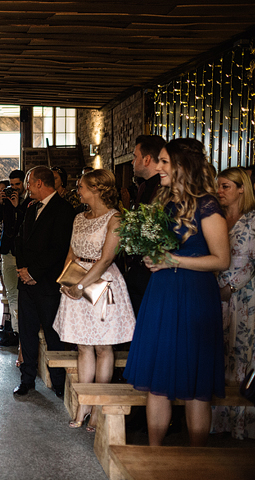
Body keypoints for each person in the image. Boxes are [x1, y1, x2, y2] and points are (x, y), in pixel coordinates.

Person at [124, 138, 230, 447]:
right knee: (157, 381)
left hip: (194, 295)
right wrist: (149, 253)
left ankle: (196, 460)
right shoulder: (163, 201)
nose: (158, 167)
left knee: (195, 385)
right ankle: (155, 456)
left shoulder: (208, 205)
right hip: (162, 293)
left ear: (183, 166)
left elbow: (221, 260)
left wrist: (174, 260)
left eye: (164, 162)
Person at [53, 169, 136, 431]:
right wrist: (66, 281)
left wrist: (80, 284)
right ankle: (84, 404)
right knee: (83, 346)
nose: (78, 190)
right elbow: (71, 251)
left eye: (82, 187)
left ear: (97, 189)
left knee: (103, 347)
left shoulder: (115, 219)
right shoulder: (79, 217)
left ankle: (99, 408)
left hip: (102, 282)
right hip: (76, 280)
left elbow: (106, 259)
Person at [13, 166, 75, 397]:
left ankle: (58, 383)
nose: (26, 187)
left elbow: (58, 249)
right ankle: (27, 380)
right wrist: (21, 270)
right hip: (26, 282)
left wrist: (34, 272)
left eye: (28, 182)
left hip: (47, 283)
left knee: (52, 334)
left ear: (39, 183)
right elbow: (19, 240)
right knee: (27, 333)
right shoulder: (30, 208)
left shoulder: (64, 209)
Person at [211, 167, 255, 439]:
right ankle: (218, 420)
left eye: (226, 186)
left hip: (243, 294)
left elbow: (252, 260)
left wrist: (231, 286)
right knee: (219, 349)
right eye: (219, 186)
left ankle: (242, 422)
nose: (220, 191)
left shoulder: (252, 221)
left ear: (242, 189)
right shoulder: (216, 218)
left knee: (241, 350)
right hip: (213, 291)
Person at [122, 135, 167, 315]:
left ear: (147, 159)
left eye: (135, 156)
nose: (132, 162)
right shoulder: (142, 187)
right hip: (139, 267)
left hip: (158, 269)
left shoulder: (166, 188)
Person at [0, 170, 27, 347]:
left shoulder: (28, 202)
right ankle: (17, 331)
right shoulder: (5, 201)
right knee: (12, 293)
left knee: (23, 294)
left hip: (24, 253)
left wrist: (17, 205)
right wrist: (1, 202)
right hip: (7, 251)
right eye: (11, 185)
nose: (14, 188)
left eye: (17, 185)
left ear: (24, 184)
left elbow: (26, 224)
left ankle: (24, 332)